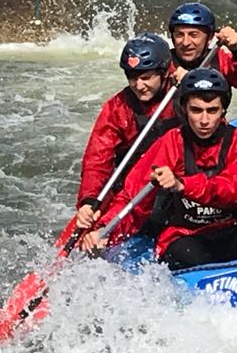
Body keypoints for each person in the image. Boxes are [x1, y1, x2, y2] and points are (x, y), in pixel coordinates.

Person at [80, 68, 237, 270]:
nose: (204, 120)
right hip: (189, 238)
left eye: (212, 110)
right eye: (196, 110)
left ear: (223, 111)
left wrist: (182, 185)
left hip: (234, 231)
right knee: (183, 252)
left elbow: (235, 190)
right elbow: (133, 196)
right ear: (184, 109)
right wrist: (104, 230)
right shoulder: (171, 142)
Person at [72, 35, 178, 232]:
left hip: (175, 183)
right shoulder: (117, 107)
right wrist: (88, 200)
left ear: (164, 73)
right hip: (130, 187)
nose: (139, 86)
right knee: (82, 226)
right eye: (133, 78)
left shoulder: (184, 96)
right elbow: (97, 158)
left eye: (146, 78)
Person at [166, 2, 237, 92]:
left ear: (209, 37)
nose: (185, 42)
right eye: (179, 35)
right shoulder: (164, 62)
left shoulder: (220, 61)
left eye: (194, 35)